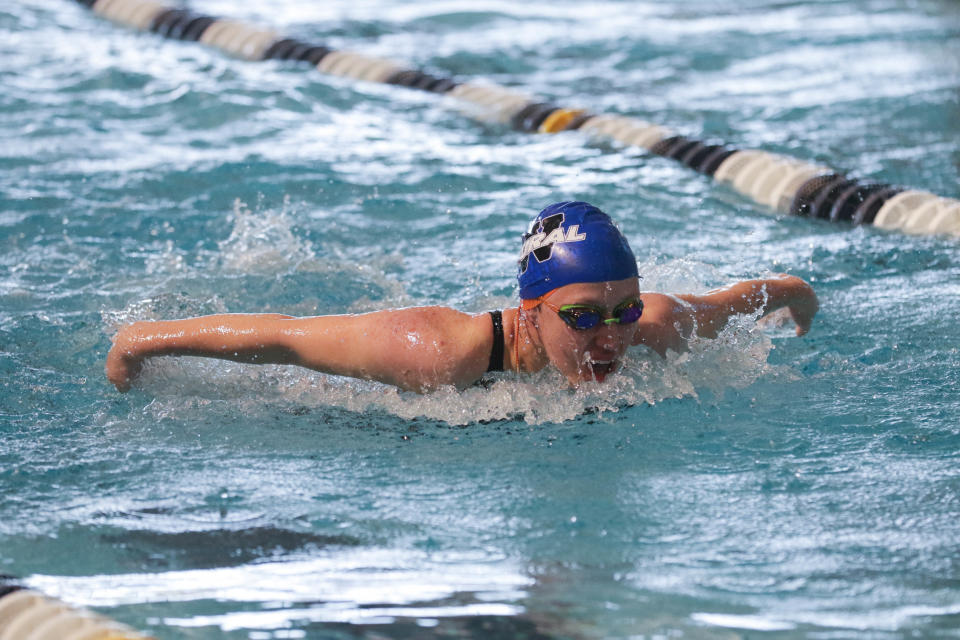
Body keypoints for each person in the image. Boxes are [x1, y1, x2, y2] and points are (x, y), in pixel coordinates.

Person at [106, 201, 818, 393]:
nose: (611, 339)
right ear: (530, 312)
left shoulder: (654, 328)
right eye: (582, 318)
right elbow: (286, 336)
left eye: (622, 310)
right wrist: (143, 339)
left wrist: (793, 296)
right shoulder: (438, 352)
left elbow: (742, 298)